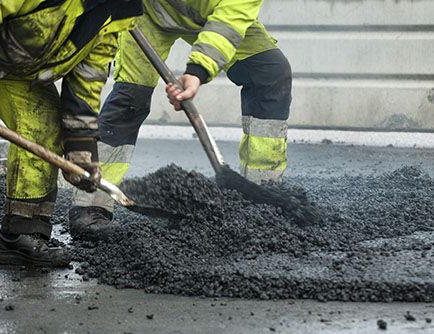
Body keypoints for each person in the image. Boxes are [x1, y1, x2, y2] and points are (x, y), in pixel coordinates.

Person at [70, 0, 292, 241]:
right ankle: (90, 204)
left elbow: (232, 16)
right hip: (146, 11)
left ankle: (262, 194)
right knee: (130, 98)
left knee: (271, 73)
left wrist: (198, 70)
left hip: (210, 15)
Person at [0, 0, 143, 266]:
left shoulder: (118, 11)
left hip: (11, 71)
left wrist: (81, 148)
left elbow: (87, 79)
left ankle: (20, 235)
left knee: (43, 125)